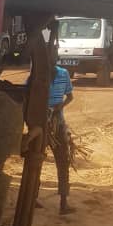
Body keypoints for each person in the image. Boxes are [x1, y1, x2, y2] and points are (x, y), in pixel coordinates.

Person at [47, 59, 75, 215]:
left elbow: (70, 97)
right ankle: (33, 197)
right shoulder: (36, 74)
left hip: (58, 124)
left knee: (63, 161)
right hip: (41, 124)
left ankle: (63, 202)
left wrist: (60, 107)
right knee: (34, 161)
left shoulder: (63, 74)